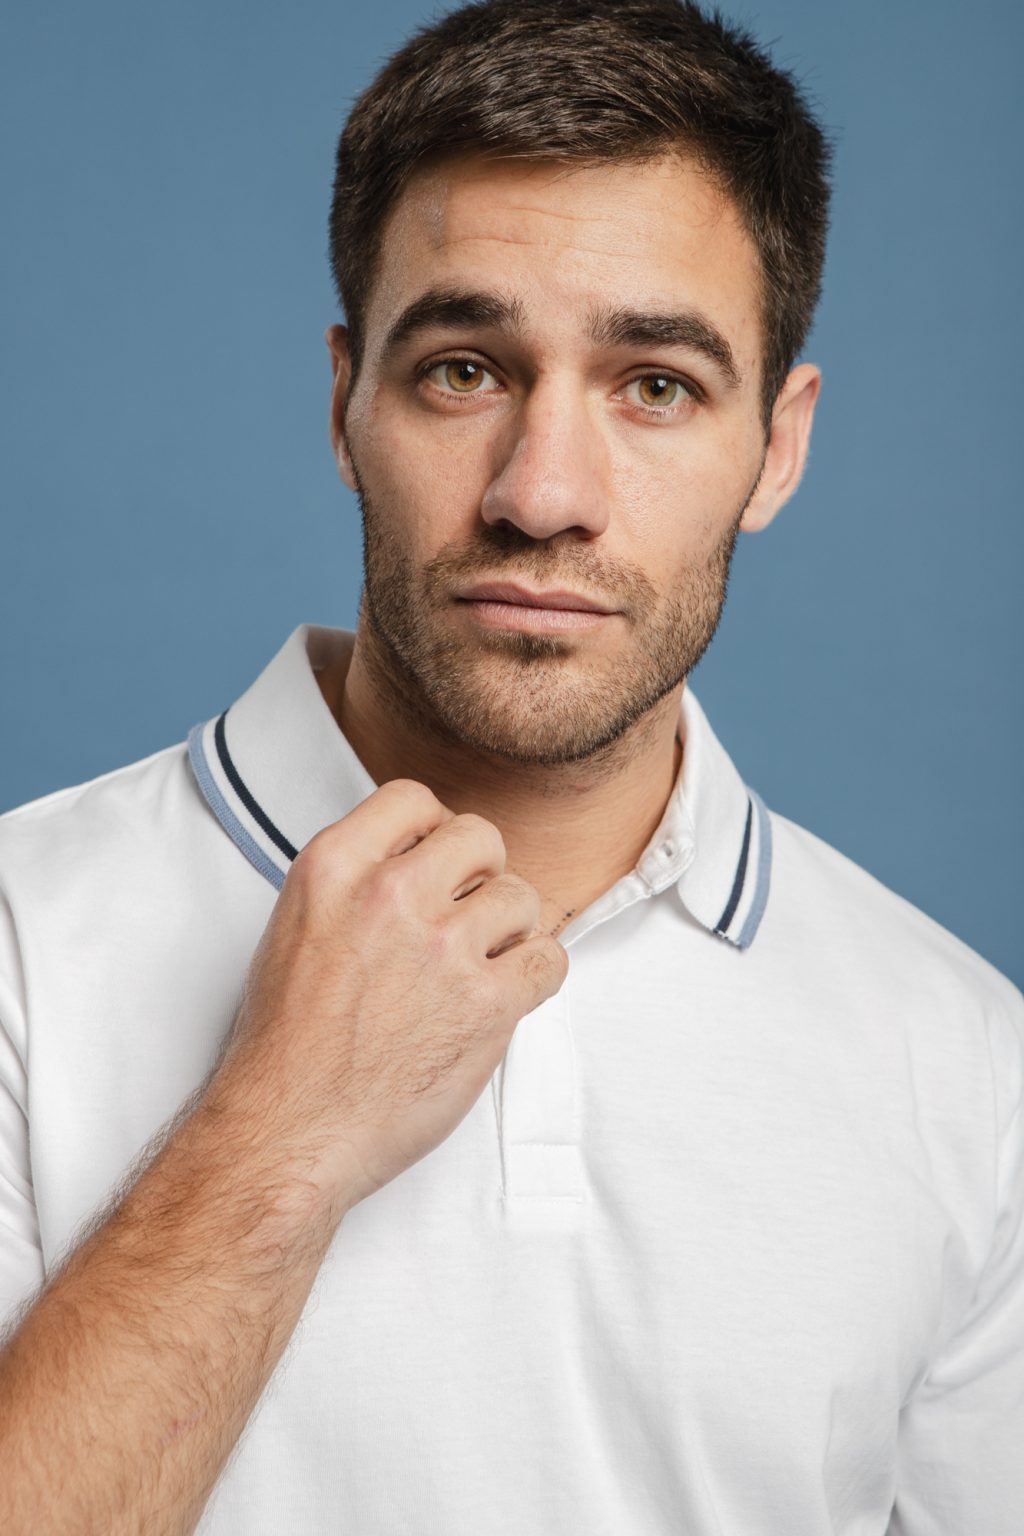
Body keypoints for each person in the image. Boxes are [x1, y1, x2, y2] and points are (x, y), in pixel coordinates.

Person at [1, 0, 1021, 1530]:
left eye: (657, 385)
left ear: (779, 446)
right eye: (465, 370)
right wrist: (277, 1138)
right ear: (344, 404)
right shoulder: (19, 944)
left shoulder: (972, 1066)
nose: (544, 496)